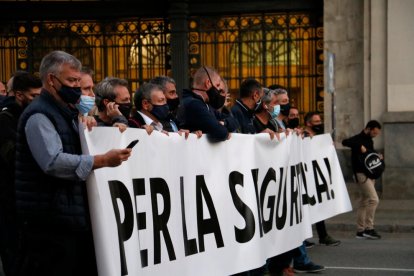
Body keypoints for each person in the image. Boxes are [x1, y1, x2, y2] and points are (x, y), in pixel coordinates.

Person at [13, 50, 132, 276]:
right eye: (71, 81)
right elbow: (53, 161)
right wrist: (102, 160)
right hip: (49, 222)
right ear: (51, 80)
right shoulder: (39, 115)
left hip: (67, 217)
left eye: (79, 81)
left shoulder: (66, 112)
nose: (76, 87)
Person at [0, 71, 42, 275]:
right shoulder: (6, 117)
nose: (37, 100)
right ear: (18, 95)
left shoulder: (30, 114)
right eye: (33, 96)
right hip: (9, 196)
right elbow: (10, 155)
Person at [302, 111, 341, 246]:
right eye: (316, 122)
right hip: (305, 177)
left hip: (316, 177)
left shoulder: (318, 137)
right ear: (308, 123)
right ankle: (302, 239)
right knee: (304, 208)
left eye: (320, 121)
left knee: (319, 206)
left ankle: (323, 235)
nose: (319, 124)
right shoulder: (302, 136)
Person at [342, 120, 383, 240]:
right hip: (361, 175)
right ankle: (369, 228)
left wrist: (377, 155)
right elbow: (345, 141)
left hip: (369, 174)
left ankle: (360, 231)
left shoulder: (369, 140)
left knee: (364, 201)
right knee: (374, 199)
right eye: (374, 132)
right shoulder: (358, 139)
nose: (375, 135)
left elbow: (368, 153)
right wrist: (359, 146)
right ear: (369, 129)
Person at [178, 66, 238, 142]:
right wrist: (223, 129)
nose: (218, 90)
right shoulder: (194, 104)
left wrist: (223, 123)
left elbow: (234, 122)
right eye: (217, 85)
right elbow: (221, 133)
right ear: (208, 83)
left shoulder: (206, 105)